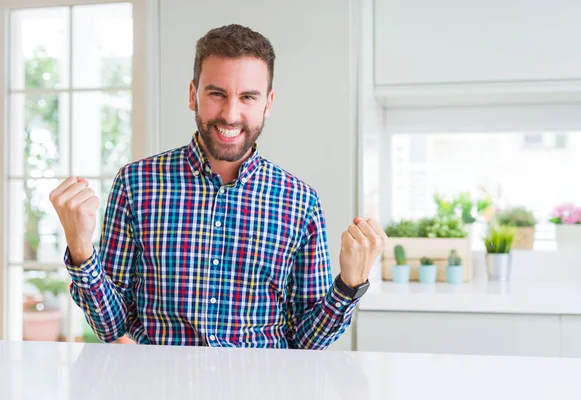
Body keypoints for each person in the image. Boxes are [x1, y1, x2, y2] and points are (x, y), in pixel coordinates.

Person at [49, 24, 386, 349]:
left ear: (268, 103)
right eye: (217, 94)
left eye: (248, 97)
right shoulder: (136, 184)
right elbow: (112, 325)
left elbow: (307, 342)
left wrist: (349, 281)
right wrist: (80, 249)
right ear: (193, 94)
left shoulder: (300, 202)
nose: (230, 114)